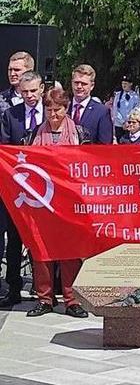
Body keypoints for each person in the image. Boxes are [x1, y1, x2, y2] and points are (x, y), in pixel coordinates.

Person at [25, 87, 89, 318]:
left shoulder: (79, 133)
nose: (53, 114)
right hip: (41, 201)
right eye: (49, 109)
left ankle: (72, 300)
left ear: (66, 108)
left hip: (69, 201)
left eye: (57, 109)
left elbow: (88, 165)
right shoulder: (35, 133)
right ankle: (45, 298)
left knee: (69, 251)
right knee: (42, 249)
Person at [0, 71, 45, 307]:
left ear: (41, 90)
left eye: (33, 91)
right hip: (16, 187)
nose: (29, 96)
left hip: (44, 188)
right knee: (15, 239)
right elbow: (4, 147)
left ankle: (44, 290)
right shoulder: (10, 115)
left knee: (42, 238)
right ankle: (14, 287)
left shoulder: (52, 114)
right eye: (25, 92)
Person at [0, 51, 35, 281]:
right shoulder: (2, 100)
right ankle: (10, 282)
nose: (13, 73)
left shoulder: (43, 103)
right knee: (9, 233)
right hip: (8, 179)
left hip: (36, 181)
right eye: (10, 70)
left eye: (18, 70)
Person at [69, 64, 113, 144]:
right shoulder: (63, 108)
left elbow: (105, 145)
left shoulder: (102, 112)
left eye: (84, 84)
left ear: (92, 86)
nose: (79, 86)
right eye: (76, 82)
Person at [112, 75, 140, 140]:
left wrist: (128, 122)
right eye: (122, 83)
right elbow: (115, 110)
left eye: (125, 83)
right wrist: (123, 122)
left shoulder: (135, 96)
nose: (123, 85)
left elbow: (136, 110)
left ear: (131, 84)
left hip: (130, 124)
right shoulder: (118, 95)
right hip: (119, 125)